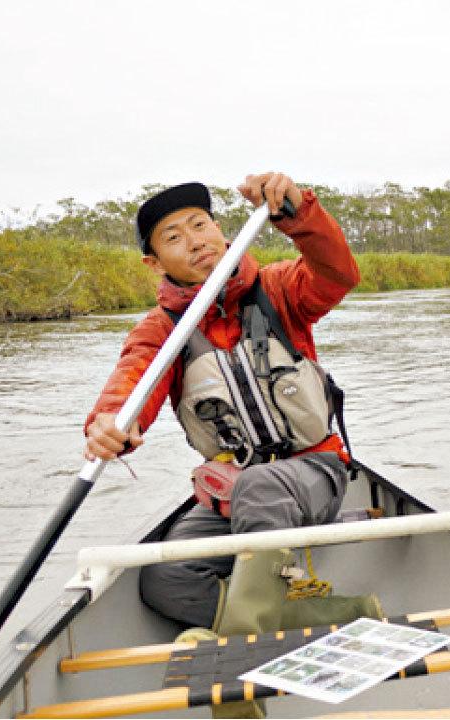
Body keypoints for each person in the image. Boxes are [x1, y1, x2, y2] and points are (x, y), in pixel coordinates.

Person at [83, 173, 379, 649]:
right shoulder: (160, 332)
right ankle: (333, 613)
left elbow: (337, 273)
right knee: (164, 579)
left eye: (200, 225)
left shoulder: (279, 289)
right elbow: (133, 381)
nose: (194, 241)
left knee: (262, 486)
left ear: (222, 231)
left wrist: (298, 210)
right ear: (153, 262)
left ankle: (244, 645)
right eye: (173, 238)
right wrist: (111, 423)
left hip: (314, 473)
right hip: (233, 488)